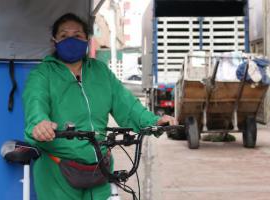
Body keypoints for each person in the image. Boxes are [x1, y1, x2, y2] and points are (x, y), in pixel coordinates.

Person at [22, 13, 177, 200]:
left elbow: (127, 105)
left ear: (87, 39)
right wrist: (40, 124)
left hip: (100, 168)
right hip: (57, 170)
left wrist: (154, 121)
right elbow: (35, 103)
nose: (71, 40)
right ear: (54, 41)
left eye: (78, 35)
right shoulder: (42, 74)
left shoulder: (100, 72)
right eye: (64, 35)